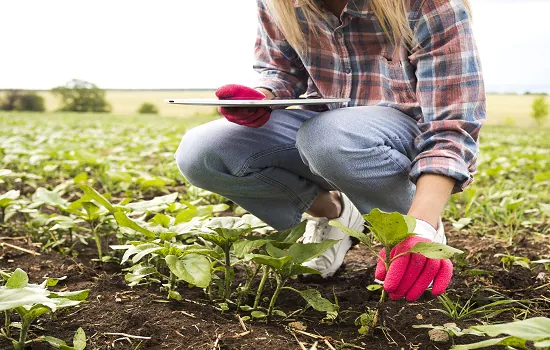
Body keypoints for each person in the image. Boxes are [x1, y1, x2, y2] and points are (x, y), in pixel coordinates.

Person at [175, 0, 485, 301]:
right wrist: (262, 96)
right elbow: (281, 69)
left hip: (400, 139)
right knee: (203, 152)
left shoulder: (427, 5)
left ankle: (414, 227)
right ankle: (333, 215)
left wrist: (421, 222)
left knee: (327, 136)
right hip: (324, 128)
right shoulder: (280, 4)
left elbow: (451, 126)